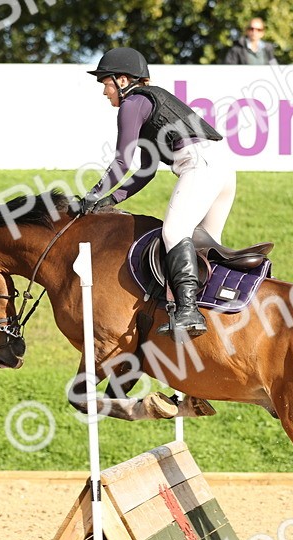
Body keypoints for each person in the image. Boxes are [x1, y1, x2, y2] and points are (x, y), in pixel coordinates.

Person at [82, 47, 236, 339]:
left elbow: (121, 161)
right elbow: (145, 170)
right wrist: (109, 199)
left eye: (105, 83)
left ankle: (188, 312)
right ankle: (212, 315)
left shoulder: (133, 103)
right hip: (222, 168)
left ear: (123, 80)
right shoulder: (148, 104)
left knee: (174, 233)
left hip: (200, 165)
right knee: (204, 245)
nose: (104, 92)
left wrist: (90, 197)